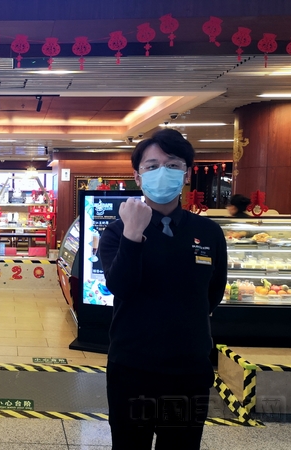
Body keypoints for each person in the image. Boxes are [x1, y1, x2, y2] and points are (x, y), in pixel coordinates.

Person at [99, 129, 227, 450]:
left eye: (172, 165)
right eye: (152, 166)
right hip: (132, 367)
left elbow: (212, 293)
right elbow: (121, 287)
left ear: (186, 174)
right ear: (138, 177)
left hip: (189, 368)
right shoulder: (116, 232)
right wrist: (133, 234)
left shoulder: (208, 232)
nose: (162, 172)